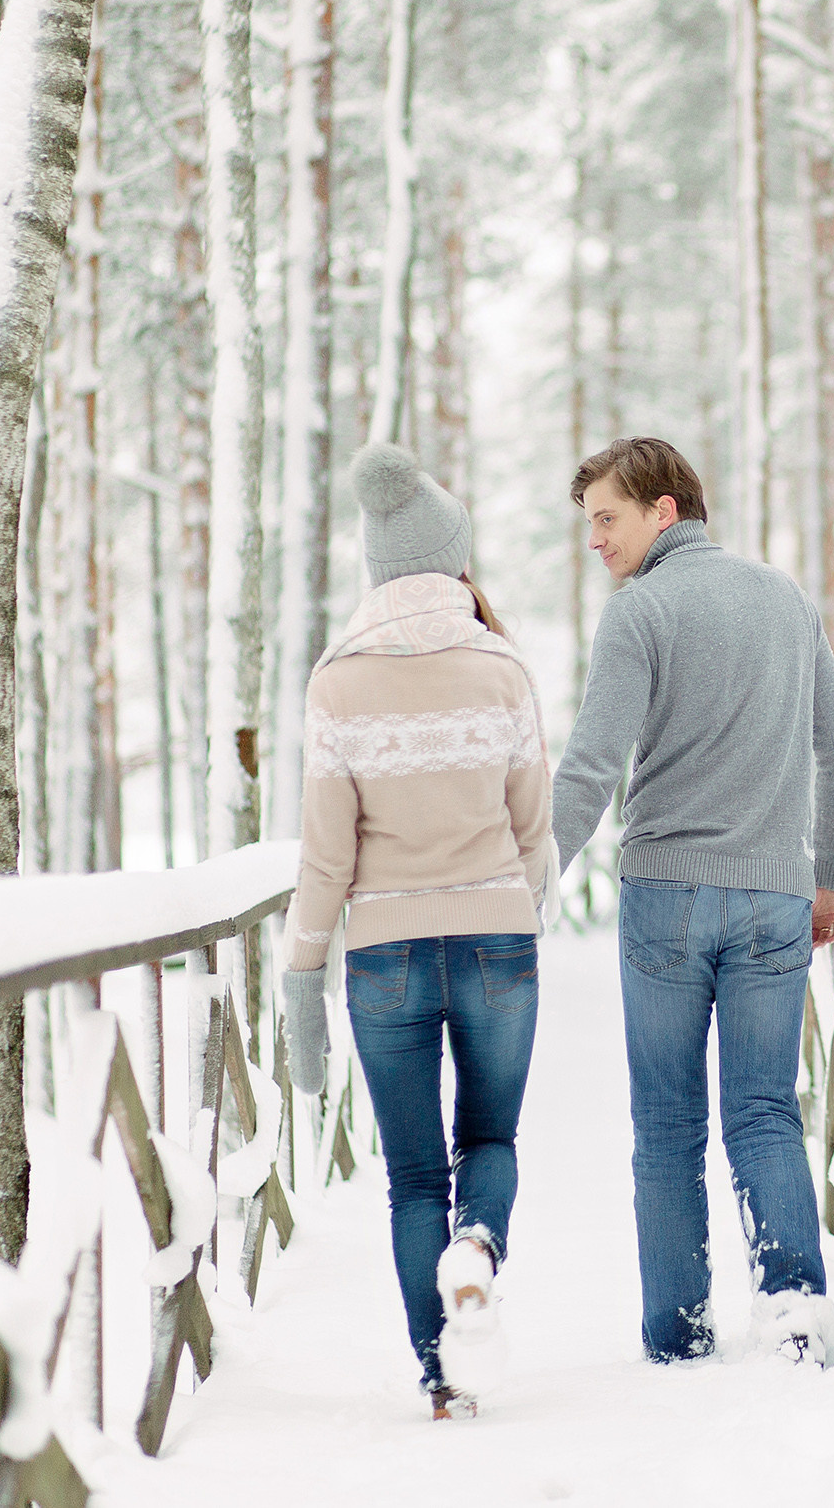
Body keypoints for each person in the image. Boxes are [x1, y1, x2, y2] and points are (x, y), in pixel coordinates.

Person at [554, 437, 834, 1364]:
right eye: (589, 523)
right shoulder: (785, 599)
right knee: (766, 1113)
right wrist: (828, 876)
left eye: (608, 517)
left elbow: (591, 767)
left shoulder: (638, 612)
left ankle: (678, 1336)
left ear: (665, 510)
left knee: (667, 1125)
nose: (596, 540)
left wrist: (529, 880)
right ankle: (798, 1318)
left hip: (667, 903)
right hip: (775, 900)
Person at [282, 443, 552, 1420]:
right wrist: (527, 914)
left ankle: (441, 1378)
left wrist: (301, 973)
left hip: (383, 955)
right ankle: (476, 1247)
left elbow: (325, 856)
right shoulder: (502, 667)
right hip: (497, 937)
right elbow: (534, 829)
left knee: (410, 1176)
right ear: (452, 557)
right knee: (489, 1132)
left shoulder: (335, 682)